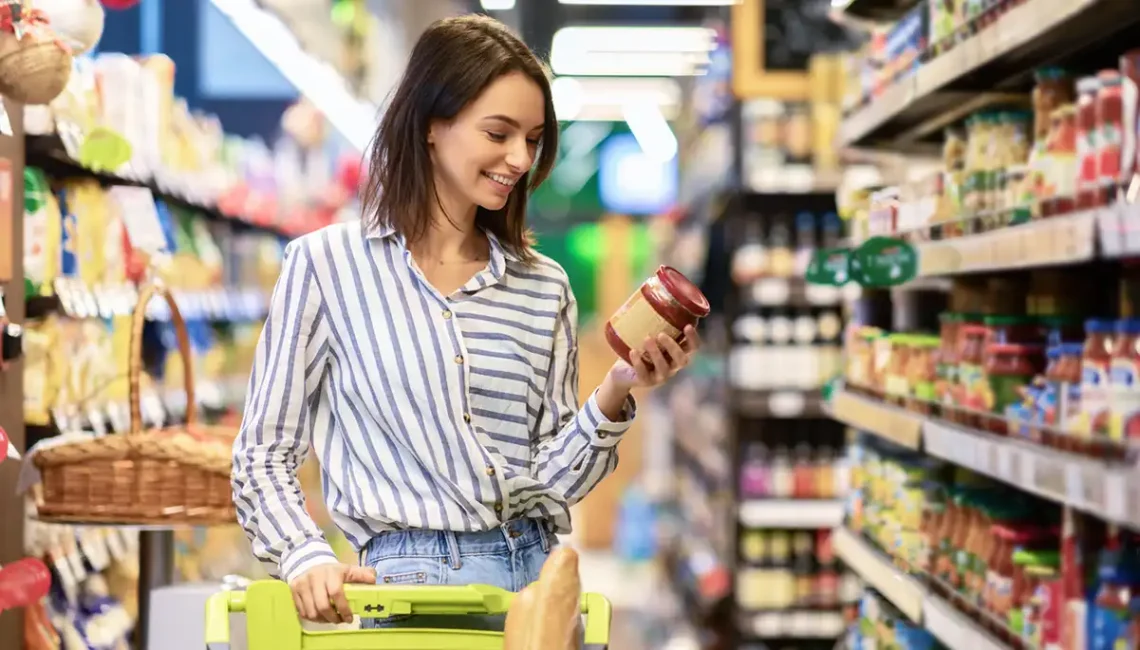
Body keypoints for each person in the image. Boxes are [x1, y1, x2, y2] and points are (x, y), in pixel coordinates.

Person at [231, 13, 700, 629]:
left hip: (537, 591)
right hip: (408, 597)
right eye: (499, 132)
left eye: (532, 139)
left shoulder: (544, 287)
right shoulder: (325, 266)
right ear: (432, 124)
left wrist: (618, 387)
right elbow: (262, 454)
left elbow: (551, 481)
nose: (519, 158)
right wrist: (303, 554)